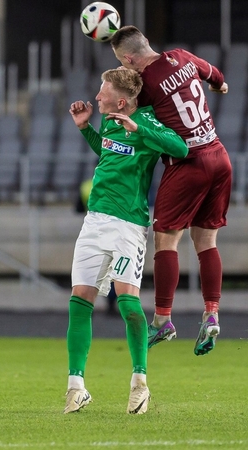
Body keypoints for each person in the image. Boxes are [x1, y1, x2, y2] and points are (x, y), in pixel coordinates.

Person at [64, 69, 188, 415]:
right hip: (94, 222)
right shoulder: (109, 122)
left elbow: (180, 147)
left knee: (128, 304)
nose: (97, 97)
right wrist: (85, 128)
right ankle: (76, 387)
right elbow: (109, 154)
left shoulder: (146, 121)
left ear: (121, 101)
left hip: (128, 225)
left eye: (102, 92)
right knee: (79, 301)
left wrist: (139, 129)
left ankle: (140, 383)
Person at [111, 26, 232, 356]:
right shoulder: (182, 56)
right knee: (206, 241)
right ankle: (211, 314)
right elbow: (216, 76)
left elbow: (131, 111)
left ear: (128, 59)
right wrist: (219, 86)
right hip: (219, 157)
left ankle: (163, 319)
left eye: (122, 61)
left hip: (188, 164)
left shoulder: (145, 84)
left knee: (166, 240)